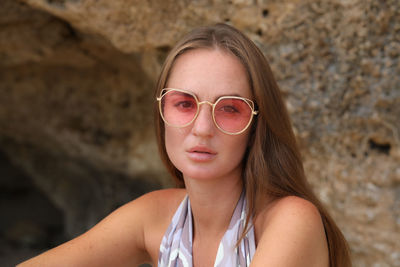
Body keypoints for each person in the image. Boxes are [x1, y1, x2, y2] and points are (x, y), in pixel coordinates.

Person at [19, 23, 351, 267]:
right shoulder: (156, 215)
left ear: (257, 126)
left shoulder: (291, 220)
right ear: (161, 111)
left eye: (230, 108)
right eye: (184, 104)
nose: (202, 128)